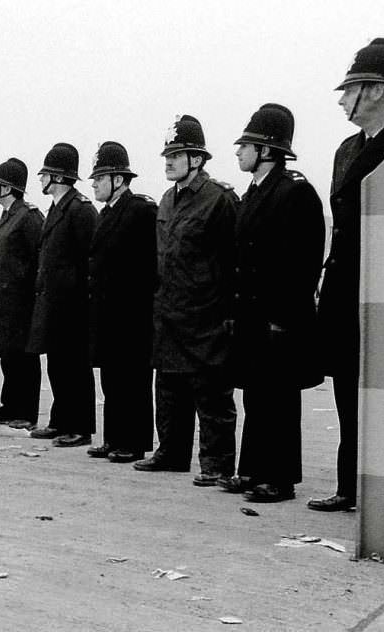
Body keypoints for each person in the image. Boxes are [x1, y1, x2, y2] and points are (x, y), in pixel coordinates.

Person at [311, 38, 384, 513]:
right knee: (347, 391)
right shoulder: (346, 149)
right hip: (344, 289)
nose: (342, 100)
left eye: (348, 89)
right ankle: (351, 485)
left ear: (375, 89)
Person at [226, 104, 326, 503]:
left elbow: (304, 261)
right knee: (256, 394)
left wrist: (284, 317)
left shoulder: (295, 191)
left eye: (245, 145)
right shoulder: (254, 194)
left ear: (267, 150)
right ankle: (252, 469)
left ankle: (279, 478)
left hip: (279, 317)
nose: (238, 152)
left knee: (280, 400)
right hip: (252, 315)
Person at [135, 115, 240, 487]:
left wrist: (227, 313)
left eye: (176, 154)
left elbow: (233, 262)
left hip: (206, 315)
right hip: (169, 312)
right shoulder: (167, 200)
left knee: (210, 394)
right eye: (167, 154)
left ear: (197, 159)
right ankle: (172, 452)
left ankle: (216, 463)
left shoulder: (220, 200)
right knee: (169, 388)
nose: (168, 161)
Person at [86, 142, 158, 463]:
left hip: (134, 313)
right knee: (112, 379)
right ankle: (114, 436)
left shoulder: (141, 210)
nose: (94, 184)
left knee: (134, 380)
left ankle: (135, 441)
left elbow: (151, 263)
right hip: (108, 312)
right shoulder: (106, 214)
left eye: (100, 177)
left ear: (118, 178)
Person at [26, 143, 98, 447]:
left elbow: (88, 260)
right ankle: (60, 419)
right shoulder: (56, 209)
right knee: (57, 364)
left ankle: (79, 427)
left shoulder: (80, 210)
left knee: (76, 367)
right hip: (53, 302)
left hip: (73, 305)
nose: (40, 179)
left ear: (57, 177)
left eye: (44, 174)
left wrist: (81, 300)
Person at [0, 158, 45, 427]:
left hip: (21, 302)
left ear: (6, 188)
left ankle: (26, 412)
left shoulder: (28, 217)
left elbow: (37, 259)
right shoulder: (8, 216)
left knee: (24, 360)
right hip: (4, 303)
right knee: (8, 358)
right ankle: (10, 406)